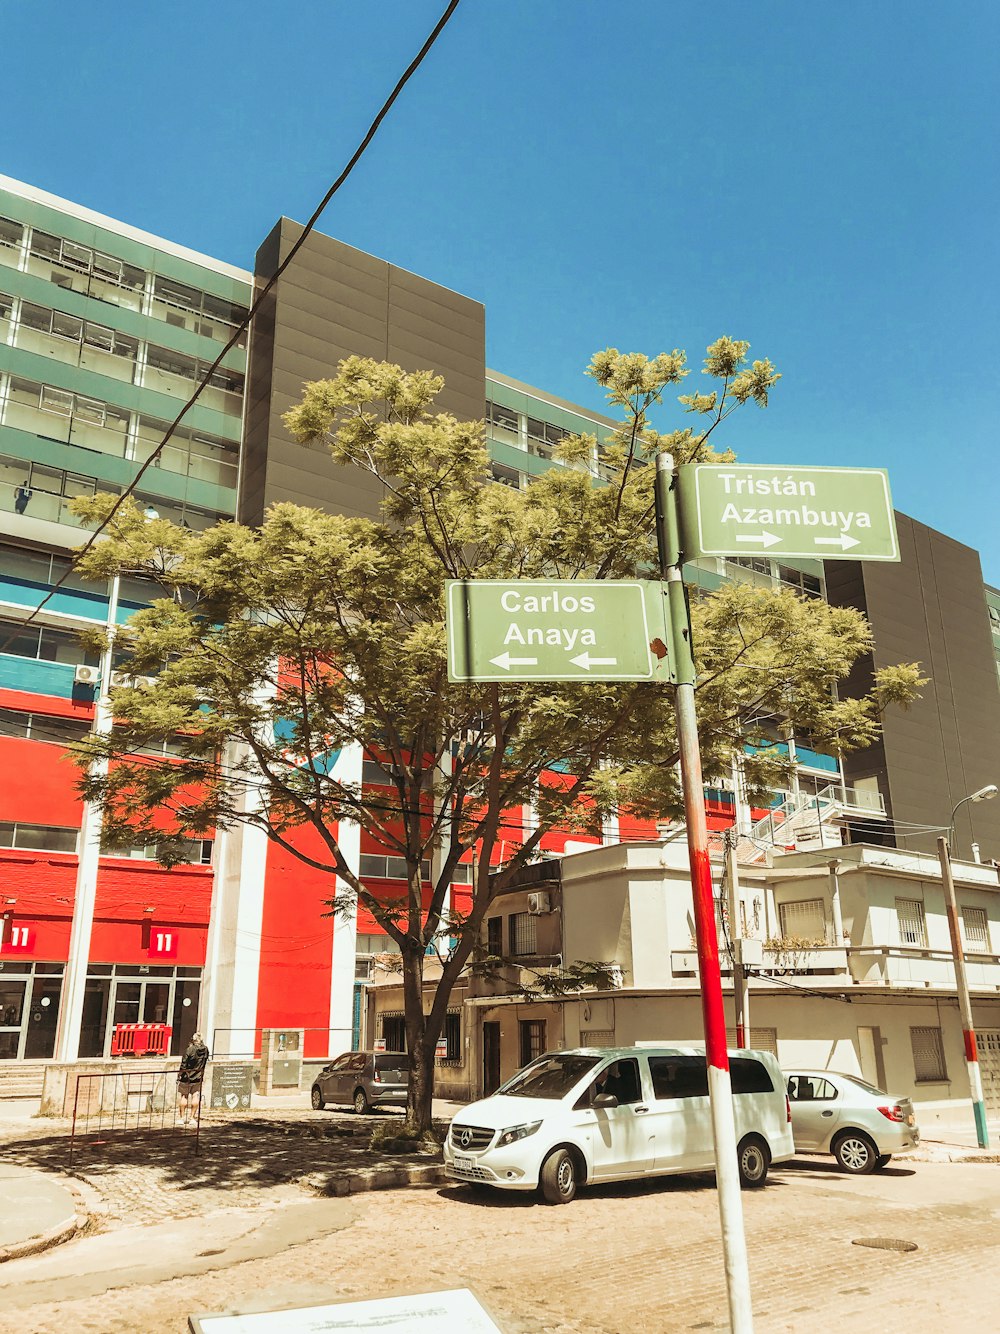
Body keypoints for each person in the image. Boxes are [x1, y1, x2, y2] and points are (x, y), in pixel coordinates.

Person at [177, 1032, 210, 1125]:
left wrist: (180, 1074)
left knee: (184, 1096)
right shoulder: (206, 1049)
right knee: (195, 1095)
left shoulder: (190, 1050)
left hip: (187, 1076)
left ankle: (182, 1118)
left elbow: (184, 1063)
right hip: (198, 1075)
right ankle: (192, 1118)